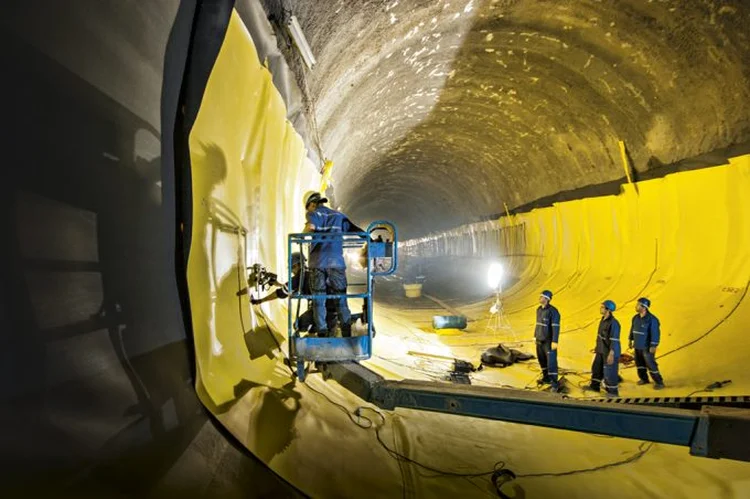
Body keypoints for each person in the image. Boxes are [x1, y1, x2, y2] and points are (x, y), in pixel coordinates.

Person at [303, 191, 361, 338]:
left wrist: (301, 235)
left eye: (307, 207)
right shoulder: (338, 216)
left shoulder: (314, 213)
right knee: (341, 297)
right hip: (336, 262)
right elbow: (355, 230)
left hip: (317, 262)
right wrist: (371, 241)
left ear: (312, 204)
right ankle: (347, 333)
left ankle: (322, 333)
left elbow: (310, 227)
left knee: (318, 299)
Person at [250, 252, 335, 334]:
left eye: (292, 267)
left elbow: (280, 293)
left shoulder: (300, 276)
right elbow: (290, 287)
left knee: (299, 324)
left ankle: (317, 333)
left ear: (298, 265)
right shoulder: (310, 273)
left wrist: (260, 300)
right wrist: (278, 284)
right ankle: (323, 330)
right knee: (314, 326)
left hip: (323, 311)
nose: (292, 271)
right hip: (333, 309)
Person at [586, 300, 621, 397]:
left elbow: (614, 340)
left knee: (609, 372)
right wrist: (597, 347)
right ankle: (594, 386)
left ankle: (613, 392)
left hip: (609, 351)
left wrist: (611, 354)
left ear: (608, 309)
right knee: (596, 368)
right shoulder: (602, 320)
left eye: (602, 307)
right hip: (601, 350)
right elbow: (600, 336)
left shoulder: (614, 323)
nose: (600, 308)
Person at [629, 297, 665, 389]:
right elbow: (632, 329)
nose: (636, 306)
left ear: (644, 307)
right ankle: (644, 379)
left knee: (650, 364)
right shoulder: (635, 318)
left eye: (638, 305)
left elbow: (655, 333)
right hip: (637, 346)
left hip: (646, 347)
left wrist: (653, 345)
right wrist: (630, 339)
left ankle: (659, 382)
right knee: (639, 363)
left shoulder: (652, 319)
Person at [534, 290, 561, 392]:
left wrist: (555, 341)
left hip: (548, 342)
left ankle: (554, 384)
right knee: (542, 360)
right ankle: (546, 378)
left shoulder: (553, 311)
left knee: (551, 363)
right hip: (539, 340)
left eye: (541, 297)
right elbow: (538, 324)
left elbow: (556, 327)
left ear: (546, 299)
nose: (539, 298)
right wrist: (535, 336)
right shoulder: (539, 310)